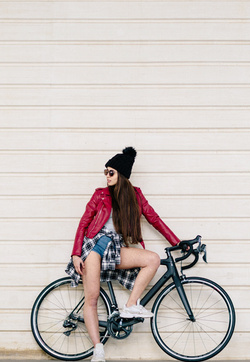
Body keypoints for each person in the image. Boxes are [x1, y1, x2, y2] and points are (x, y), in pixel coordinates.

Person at [65, 147, 181, 362]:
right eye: (105, 172)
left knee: (152, 259)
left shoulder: (135, 195)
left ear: (122, 174)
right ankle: (98, 349)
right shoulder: (99, 194)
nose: (107, 176)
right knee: (91, 299)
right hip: (96, 247)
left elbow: (154, 219)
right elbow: (83, 224)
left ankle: (130, 306)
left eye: (111, 172)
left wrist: (177, 242)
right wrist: (75, 254)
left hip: (115, 249)